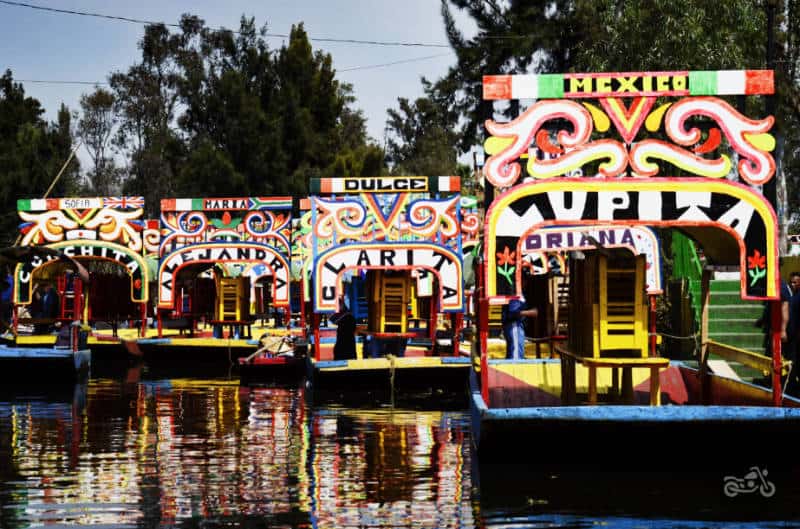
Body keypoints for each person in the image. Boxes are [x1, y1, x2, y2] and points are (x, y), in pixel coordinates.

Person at [501, 295, 538, 359]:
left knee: (514, 353)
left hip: (515, 326)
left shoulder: (517, 293)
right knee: (516, 356)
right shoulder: (515, 292)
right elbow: (513, 313)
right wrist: (531, 312)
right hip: (514, 326)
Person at [330, 296, 356, 360]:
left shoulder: (347, 317)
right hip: (347, 349)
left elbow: (333, 320)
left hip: (345, 349)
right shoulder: (347, 316)